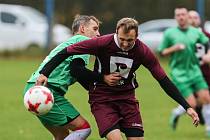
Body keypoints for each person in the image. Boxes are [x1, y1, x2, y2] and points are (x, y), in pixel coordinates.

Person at [35, 17, 199, 140]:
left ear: (137, 36)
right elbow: (66, 52)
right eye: (122, 39)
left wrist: (187, 107)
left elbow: (163, 80)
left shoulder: (143, 51)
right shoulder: (102, 43)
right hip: (102, 99)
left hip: (127, 99)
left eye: (130, 40)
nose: (125, 44)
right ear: (116, 32)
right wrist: (45, 72)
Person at [23, 15, 100, 140]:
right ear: (82, 28)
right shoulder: (83, 41)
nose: (98, 34)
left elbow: (76, 72)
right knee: (83, 128)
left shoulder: (69, 42)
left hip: (33, 88)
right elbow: (77, 70)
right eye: (95, 29)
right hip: (47, 92)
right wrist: (100, 82)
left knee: (61, 135)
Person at [157, 8, 210, 136]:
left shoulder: (195, 32)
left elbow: (207, 42)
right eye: (178, 15)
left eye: (183, 15)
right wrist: (173, 49)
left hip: (195, 71)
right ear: (175, 18)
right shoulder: (170, 33)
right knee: (191, 103)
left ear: (187, 17)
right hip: (179, 73)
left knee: (206, 98)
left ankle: (208, 128)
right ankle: (176, 113)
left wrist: (208, 54)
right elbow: (161, 52)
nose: (181, 17)